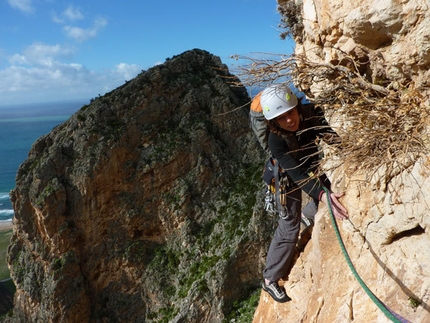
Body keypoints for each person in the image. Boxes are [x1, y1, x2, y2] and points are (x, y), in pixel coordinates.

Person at [259, 84, 349, 303]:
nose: (289, 120)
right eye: (282, 118)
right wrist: (322, 195)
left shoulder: (311, 114)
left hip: (310, 163)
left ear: (296, 106)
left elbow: (331, 137)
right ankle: (270, 279)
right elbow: (298, 175)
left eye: (290, 112)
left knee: (326, 193)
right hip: (286, 175)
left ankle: (308, 215)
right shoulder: (276, 140)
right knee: (289, 227)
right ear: (274, 122)